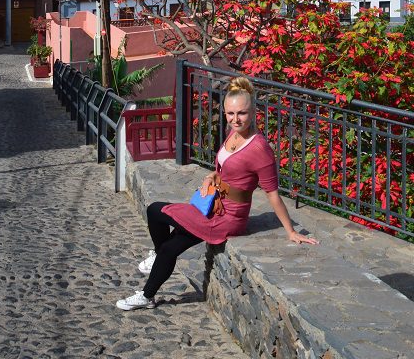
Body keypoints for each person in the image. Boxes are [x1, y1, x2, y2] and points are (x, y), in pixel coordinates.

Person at [116, 74, 319, 311]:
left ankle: (147, 293)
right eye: (230, 114)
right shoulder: (232, 134)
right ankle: (152, 277)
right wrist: (212, 176)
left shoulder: (259, 148)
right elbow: (224, 166)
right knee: (159, 221)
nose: (236, 119)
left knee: (162, 226)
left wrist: (291, 231)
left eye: (241, 113)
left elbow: (272, 192)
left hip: (228, 218)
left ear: (253, 112)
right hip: (213, 205)